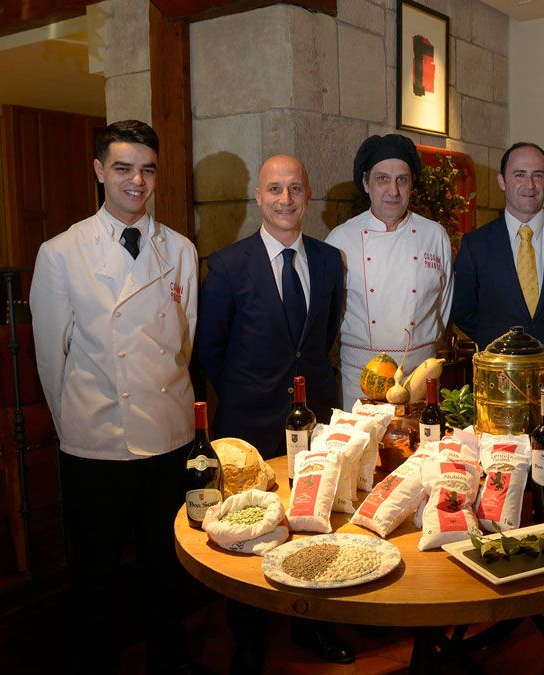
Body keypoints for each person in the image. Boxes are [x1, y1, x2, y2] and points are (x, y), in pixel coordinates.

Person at [30, 120, 204, 674]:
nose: (137, 181)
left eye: (147, 169)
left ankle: (169, 663)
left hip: (169, 436)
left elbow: (185, 340)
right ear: (100, 171)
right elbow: (50, 357)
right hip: (97, 441)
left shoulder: (179, 248)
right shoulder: (62, 253)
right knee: (96, 575)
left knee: (165, 566)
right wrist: (76, 424)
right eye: (124, 168)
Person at [196, 154, 352, 673]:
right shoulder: (226, 265)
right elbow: (209, 350)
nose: (286, 200)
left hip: (316, 419)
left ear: (308, 196)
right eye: (275, 189)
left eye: (295, 189)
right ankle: (248, 639)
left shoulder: (330, 262)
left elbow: (322, 337)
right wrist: (250, 392)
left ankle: (312, 624)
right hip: (250, 422)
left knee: (315, 519)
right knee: (249, 530)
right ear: (258, 198)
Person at [451, 142, 544, 637]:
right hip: (501, 395)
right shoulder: (475, 245)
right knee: (505, 483)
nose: (529, 184)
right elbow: (465, 314)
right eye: (519, 174)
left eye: (538, 175)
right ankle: (505, 579)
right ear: (502, 181)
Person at [325, 134, 453, 408]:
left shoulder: (435, 235)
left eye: (402, 180)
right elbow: (329, 316)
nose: (393, 191)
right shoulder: (340, 239)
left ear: (411, 185)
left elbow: (444, 305)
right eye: (382, 179)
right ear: (366, 183)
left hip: (419, 376)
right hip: (360, 378)